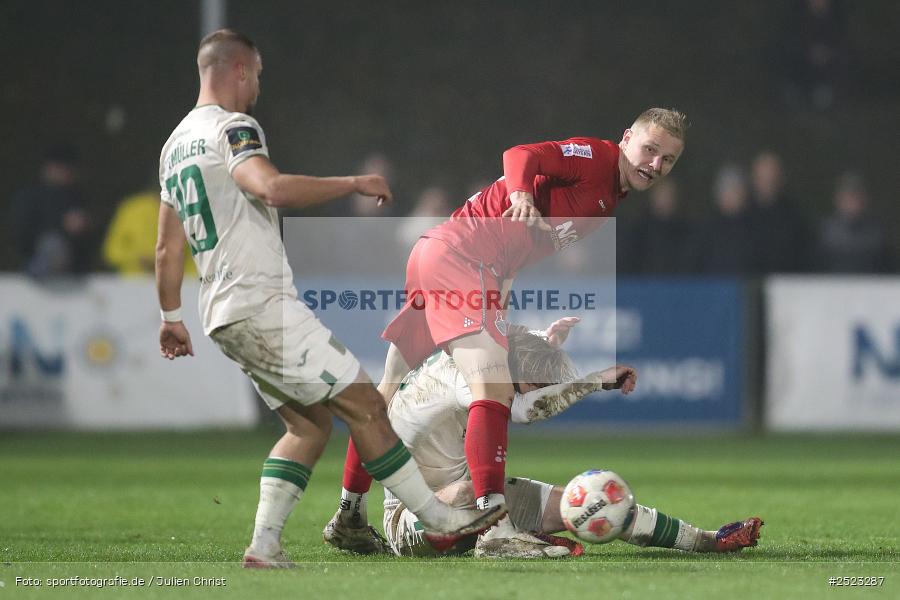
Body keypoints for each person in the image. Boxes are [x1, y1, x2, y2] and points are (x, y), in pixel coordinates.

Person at [155, 28, 502, 568]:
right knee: (366, 404)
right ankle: (440, 516)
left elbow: (164, 247)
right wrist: (351, 183)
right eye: (258, 76)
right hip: (260, 303)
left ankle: (265, 547)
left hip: (219, 313)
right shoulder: (233, 127)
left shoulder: (173, 147)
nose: (258, 90)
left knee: (309, 425)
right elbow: (268, 187)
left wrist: (170, 316)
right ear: (240, 70)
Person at [327, 109, 687, 551]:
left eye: (667, 160)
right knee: (493, 392)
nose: (654, 164)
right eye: (650, 150)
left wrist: (510, 318)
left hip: (442, 256)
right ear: (627, 138)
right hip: (463, 258)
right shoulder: (597, 157)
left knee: (387, 389)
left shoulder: (609, 197)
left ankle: (349, 512)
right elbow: (521, 154)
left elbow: (516, 252)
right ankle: (496, 530)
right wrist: (520, 194)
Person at [375, 325, 763, 557]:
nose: (532, 393)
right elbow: (526, 409)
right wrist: (593, 381)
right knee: (463, 494)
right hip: (410, 519)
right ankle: (500, 540)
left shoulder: (491, 361)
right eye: (534, 385)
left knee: (592, 501)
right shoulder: (468, 376)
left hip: (483, 497)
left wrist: (547, 341)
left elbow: (521, 366)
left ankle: (707, 540)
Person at [9, 144, 97, 277]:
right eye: (58, 168)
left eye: (67, 168)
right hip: (36, 264)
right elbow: (21, 233)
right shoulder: (30, 196)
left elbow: (91, 242)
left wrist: (84, 227)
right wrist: (62, 227)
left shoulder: (78, 198)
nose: (62, 172)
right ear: (47, 168)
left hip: (73, 271)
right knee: (53, 244)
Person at [103, 189, 197, 277]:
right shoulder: (131, 209)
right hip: (134, 284)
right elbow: (111, 252)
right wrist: (138, 259)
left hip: (181, 284)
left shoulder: (190, 209)